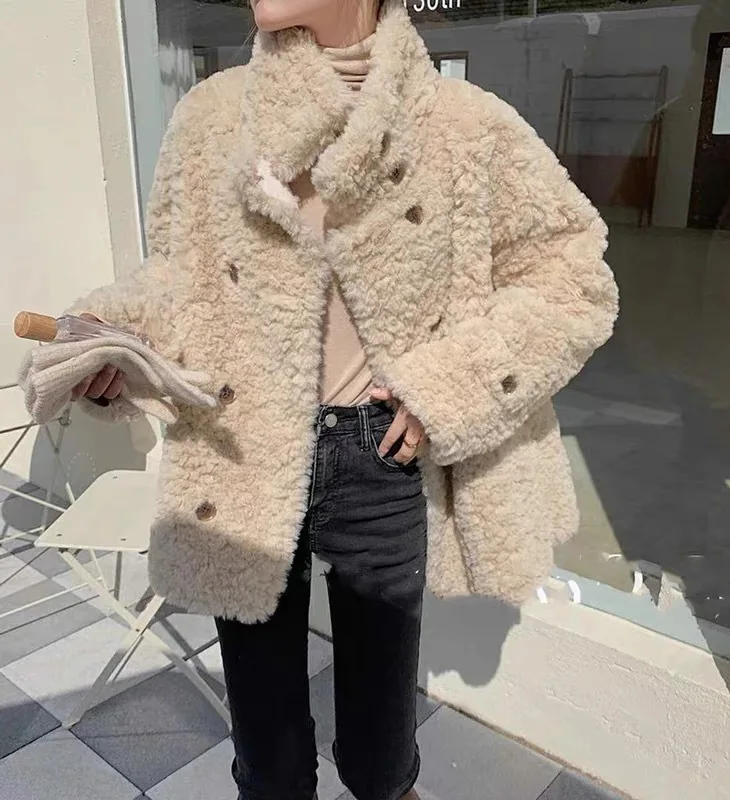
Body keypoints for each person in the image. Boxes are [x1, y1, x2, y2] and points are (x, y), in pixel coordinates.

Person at [69, 1, 618, 798]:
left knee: (380, 753)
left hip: (382, 453)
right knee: (268, 757)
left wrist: (449, 387)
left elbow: (573, 279)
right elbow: (179, 284)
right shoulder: (213, 117)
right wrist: (115, 334)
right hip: (242, 442)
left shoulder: (462, 126)